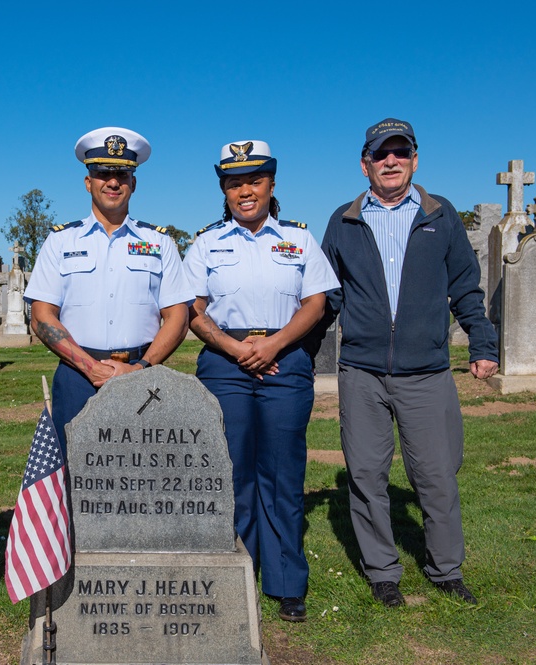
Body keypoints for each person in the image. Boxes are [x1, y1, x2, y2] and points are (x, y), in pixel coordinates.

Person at [320, 118, 498, 608]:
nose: (391, 161)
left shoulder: (441, 216)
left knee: (437, 475)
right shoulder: (344, 220)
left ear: (415, 159)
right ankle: (383, 571)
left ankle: (446, 569)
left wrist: (482, 343)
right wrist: (298, 350)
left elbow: (465, 286)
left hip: (427, 372)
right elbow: (327, 296)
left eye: (401, 152)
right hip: (362, 372)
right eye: (382, 154)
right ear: (365, 165)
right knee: (367, 474)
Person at [183, 140, 339, 622]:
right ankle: (233, 574)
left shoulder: (299, 240)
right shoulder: (207, 242)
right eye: (234, 183)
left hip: (284, 360)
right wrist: (236, 350)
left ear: (271, 184)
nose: (244, 190)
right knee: (228, 472)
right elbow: (192, 306)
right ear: (224, 190)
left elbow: (316, 302)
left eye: (254, 180)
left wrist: (271, 347)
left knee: (282, 471)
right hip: (224, 363)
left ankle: (287, 582)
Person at [24, 127, 193, 456]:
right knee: (75, 478)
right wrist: (90, 367)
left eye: (122, 174)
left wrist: (138, 368)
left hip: (144, 374)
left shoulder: (159, 243)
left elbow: (177, 317)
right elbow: (42, 316)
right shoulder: (61, 242)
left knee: (143, 476)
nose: (113, 182)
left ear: (133, 182)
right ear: (89, 182)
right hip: (77, 376)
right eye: (103, 173)